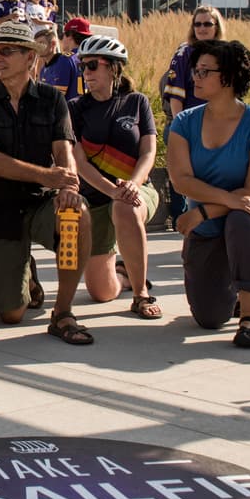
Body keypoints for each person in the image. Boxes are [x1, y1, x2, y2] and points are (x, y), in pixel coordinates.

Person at [0, 21, 93, 345]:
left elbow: (63, 148)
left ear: (30, 58)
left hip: (39, 203)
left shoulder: (52, 99)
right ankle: (25, 273)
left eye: (6, 51)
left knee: (76, 218)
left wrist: (67, 186)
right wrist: (46, 175)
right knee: (11, 314)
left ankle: (62, 312)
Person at [166, 39, 250, 348]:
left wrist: (204, 211)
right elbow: (181, 180)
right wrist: (227, 201)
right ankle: (230, 289)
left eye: (205, 71)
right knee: (209, 318)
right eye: (196, 70)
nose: (196, 76)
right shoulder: (184, 123)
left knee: (241, 219)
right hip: (208, 228)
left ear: (230, 77)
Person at [68, 35, 161, 318]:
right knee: (101, 292)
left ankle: (141, 294)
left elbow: (148, 152)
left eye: (93, 65)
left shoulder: (137, 102)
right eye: (83, 66)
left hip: (136, 190)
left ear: (113, 68)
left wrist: (132, 184)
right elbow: (79, 161)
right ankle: (124, 273)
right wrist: (111, 190)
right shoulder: (75, 108)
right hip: (98, 195)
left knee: (125, 207)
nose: (86, 72)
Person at [162, 5, 227, 223]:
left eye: (207, 23)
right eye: (197, 24)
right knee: (188, 174)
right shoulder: (185, 52)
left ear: (217, 26)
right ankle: (185, 217)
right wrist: (181, 127)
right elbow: (175, 95)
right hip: (192, 123)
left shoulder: (226, 53)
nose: (201, 28)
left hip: (220, 124)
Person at [34, 24, 79, 100]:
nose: (38, 47)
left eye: (41, 43)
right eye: (36, 44)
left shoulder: (63, 61)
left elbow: (57, 99)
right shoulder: (43, 69)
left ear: (53, 44)